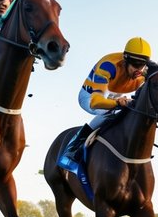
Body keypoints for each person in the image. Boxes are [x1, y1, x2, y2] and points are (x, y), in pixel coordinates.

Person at [57, 37, 152, 170]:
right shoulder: (108, 66)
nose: (139, 70)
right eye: (135, 65)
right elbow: (96, 102)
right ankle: (72, 149)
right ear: (126, 60)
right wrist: (117, 102)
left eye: (142, 65)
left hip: (116, 95)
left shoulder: (145, 71)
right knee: (111, 111)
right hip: (91, 96)